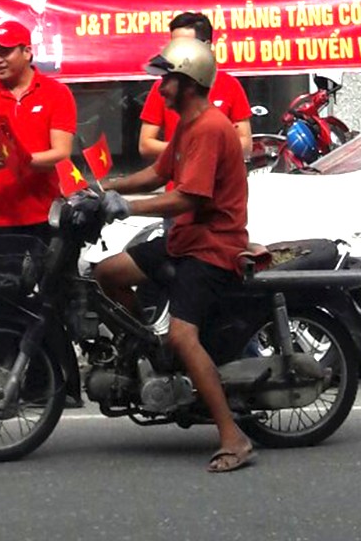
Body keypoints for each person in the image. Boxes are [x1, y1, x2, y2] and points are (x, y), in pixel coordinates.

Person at [93, 38, 255, 473]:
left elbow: (188, 198)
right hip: (185, 239)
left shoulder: (210, 127)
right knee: (105, 274)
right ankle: (149, 346)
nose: (160, 87)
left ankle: (232, 437)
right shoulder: (187, 124)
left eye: (167, 78)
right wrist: (107, 187)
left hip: (212, 246)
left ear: (188, 81)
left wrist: (129, 207)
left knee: (184, 335)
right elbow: (157, 173)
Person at [0, 19, 82, 406]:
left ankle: (61, 386)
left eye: (5, 51)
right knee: (3, 302)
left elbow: (61, 152)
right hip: (1, 217)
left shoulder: (57, 93)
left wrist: (25, 159)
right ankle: (4, 385)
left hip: (47, 216)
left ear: (27, 52)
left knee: (51, 299)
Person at [138, 12, 251, 161]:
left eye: (184, 45)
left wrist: (207, 148)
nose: (177, 51)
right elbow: (146, 146)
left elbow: (245, 144)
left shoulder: (230, 85)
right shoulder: (163, 87)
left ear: (206, 46)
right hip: (176, 181)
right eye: (173, 45)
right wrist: (188, 148)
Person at [22, 0, 62, 73]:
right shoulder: (21, 17)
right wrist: (31, 40)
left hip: (49, 62)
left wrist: (58, 62)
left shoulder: (53, 18)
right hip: (29, 64)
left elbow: (57, 42)